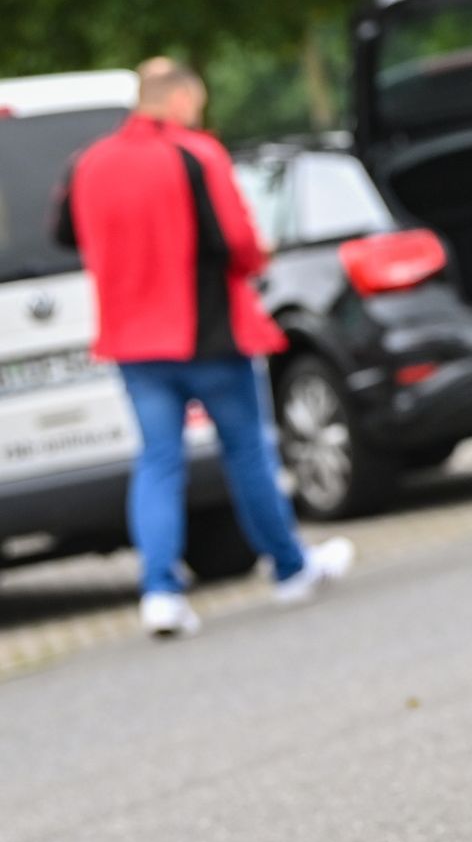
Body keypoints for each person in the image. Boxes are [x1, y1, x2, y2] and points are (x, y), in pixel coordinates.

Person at [56, 58, 352, 637]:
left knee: (158, 461)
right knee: (248, 453)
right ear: (179, 97)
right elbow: (240, 243)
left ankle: (160, 593)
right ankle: (291, 569)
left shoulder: (88, 164)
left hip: (133, 342)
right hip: (209, 333)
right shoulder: (195, 152)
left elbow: (64, 233)